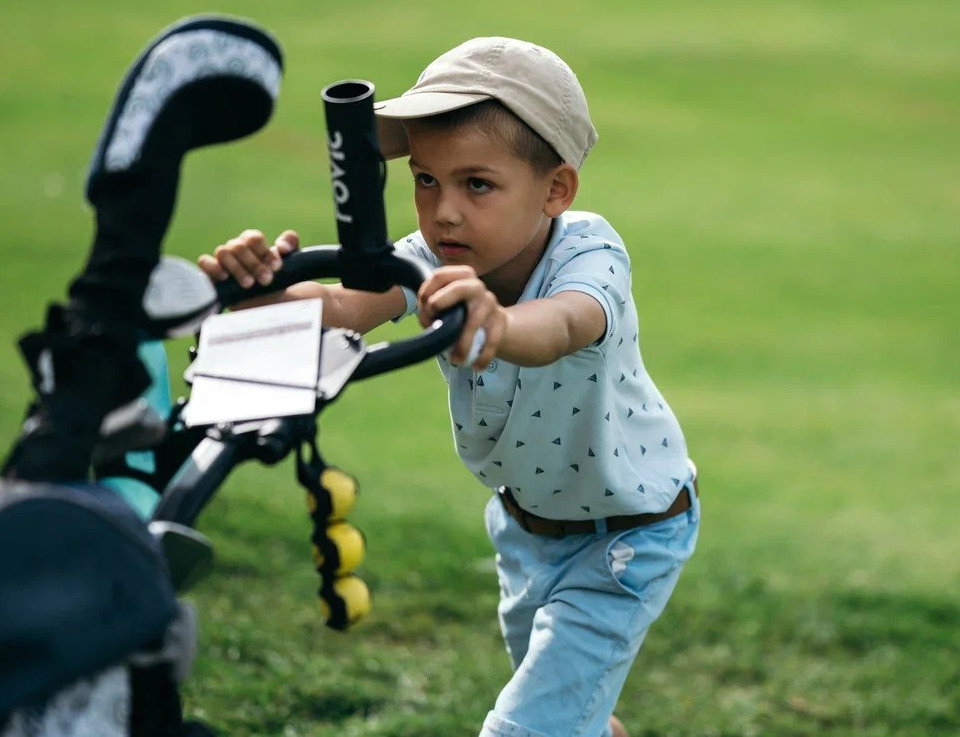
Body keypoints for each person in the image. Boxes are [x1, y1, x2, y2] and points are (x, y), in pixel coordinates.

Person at [198, 37, 699, 737]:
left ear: (555, 189)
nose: (445, 211)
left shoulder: (589, 250)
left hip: (627, 536)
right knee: (573, 716)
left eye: (477, 184)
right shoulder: (427, 257)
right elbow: (349, 305)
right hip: (525, 530)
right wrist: (259, 291)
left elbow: (563, 325)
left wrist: (496, 319)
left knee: (523, 729)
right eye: (426, 180)